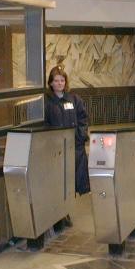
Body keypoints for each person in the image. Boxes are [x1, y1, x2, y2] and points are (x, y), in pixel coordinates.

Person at [45, 65, 90, 195]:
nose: (60, 83)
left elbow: (83, 119)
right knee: (60, 181)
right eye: (56, 80)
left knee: (76, 176)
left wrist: (80, 136)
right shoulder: (47, 102)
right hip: (56, 148)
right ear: (51, 83)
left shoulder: (75, 99)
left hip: (75, 146)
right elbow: (45, 124)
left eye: (62, 80)